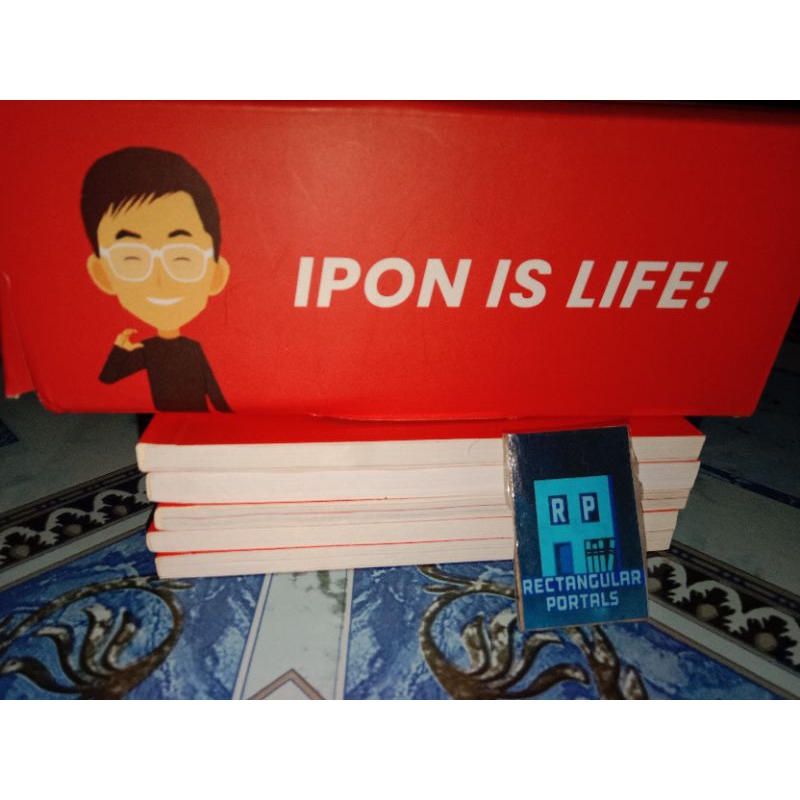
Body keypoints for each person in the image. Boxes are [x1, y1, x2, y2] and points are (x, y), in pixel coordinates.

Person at [82, 147, 231, 411]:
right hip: (165, 419)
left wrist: (228, 412)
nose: (160, 279)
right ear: (103, 274)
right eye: (131, 259)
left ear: (216, 274)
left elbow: (214, 390)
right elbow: (109, 378)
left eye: (182, 258)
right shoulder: (146, 349)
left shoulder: (193, 348)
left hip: (202, 417)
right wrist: (120, 350)